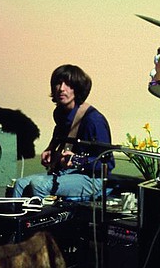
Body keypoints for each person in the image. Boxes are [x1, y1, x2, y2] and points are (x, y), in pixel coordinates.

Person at [12, 64, 114, 201]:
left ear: (77, 88)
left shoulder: (93, 121)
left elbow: (108, 164)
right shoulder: (60, 113)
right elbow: (60, 138)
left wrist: (77, 160)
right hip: (68, 174)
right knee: (19, 184)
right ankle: (13, 220)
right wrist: (50, 149)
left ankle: (42, 221)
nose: (61, 88)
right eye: (58, 83)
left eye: (68, 84)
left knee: (39, 185)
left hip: (93, 179)